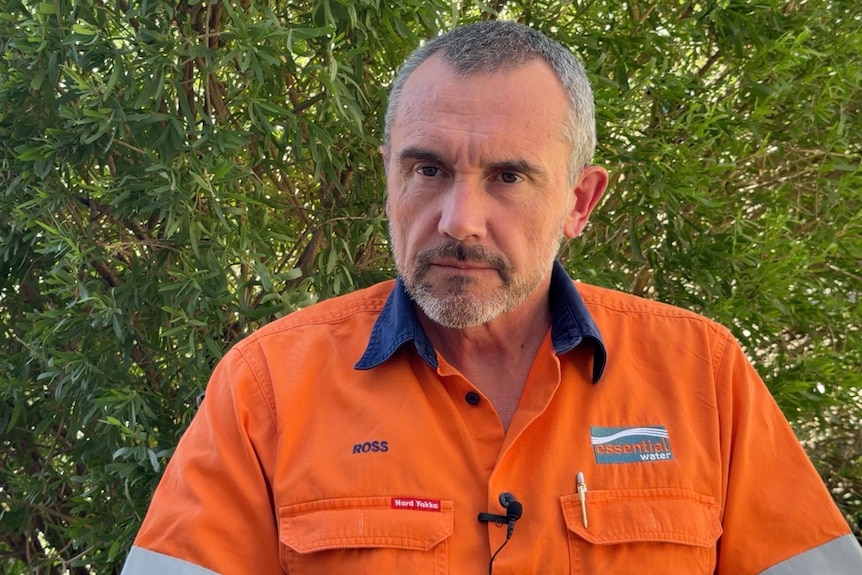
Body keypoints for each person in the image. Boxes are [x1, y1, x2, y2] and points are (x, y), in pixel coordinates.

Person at [121, 20, 862, 575]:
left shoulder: (702, 375)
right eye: (429, 170)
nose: (458, 220)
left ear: (580, 200)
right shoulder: (267, 389)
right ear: (389, 179)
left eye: (507, 177)